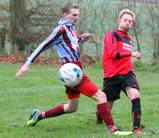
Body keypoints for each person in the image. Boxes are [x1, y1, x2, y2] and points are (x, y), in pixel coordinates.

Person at [15, 3, 132, 136]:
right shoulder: (61, 29)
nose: (77, 17)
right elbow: (44, 44)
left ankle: (38, 116)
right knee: (101, 96)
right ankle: (113, 130)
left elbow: (73, 42)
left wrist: (82, 38)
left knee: (71, 107)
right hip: (72, 72)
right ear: (65, 15)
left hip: (73, 71)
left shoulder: (71, 28)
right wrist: (27, 63)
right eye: (74, 15)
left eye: (78, 15)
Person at [96, 9, 143, 135]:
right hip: (112, 76)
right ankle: (99, 115)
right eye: (125, 20)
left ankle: (136, 128)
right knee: (106, 109)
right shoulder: (111, 35)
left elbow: (124, 57)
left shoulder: (129, 39)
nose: (128, 23)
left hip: (127, 74)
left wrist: (131, 55)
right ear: (119, 20)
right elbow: (113, 54)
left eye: (130, 21)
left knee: (135, 95)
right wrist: (131, 53)